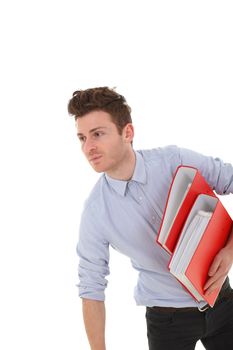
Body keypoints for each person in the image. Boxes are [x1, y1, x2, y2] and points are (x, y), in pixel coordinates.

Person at [68, 87, 233, 350]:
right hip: (168, 321)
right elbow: (91, 287)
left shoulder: (175, 161)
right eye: (81, 137)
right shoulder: (96, 212)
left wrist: (230, 249)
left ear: (128, 133)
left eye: (97, 134)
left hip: (223, 303)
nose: (88, 147)